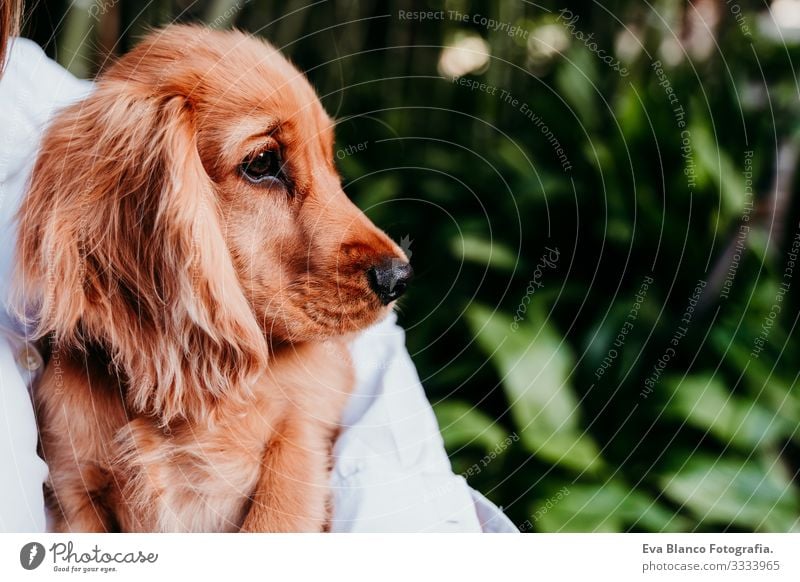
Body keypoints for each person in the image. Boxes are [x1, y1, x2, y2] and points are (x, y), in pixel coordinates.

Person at [0, 3, 516, 533]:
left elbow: (403, 483)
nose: (390, 264)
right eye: (264, 163)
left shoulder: (40, 98)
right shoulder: (70, 371)